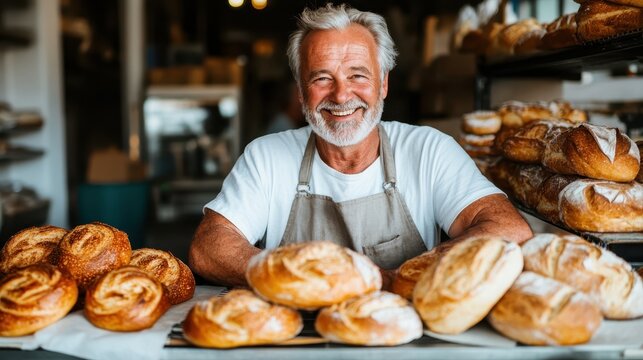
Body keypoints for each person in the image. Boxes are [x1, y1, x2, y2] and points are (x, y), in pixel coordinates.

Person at [189, 3, 532, 288]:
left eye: (357, 75)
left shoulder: (428, 150)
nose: (341, 95)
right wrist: (314, 282)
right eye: (322, 78)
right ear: (300, 90)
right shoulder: (266, 157)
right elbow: (209, 246)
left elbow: (510, 230)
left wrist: (397, 278)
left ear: (383, 83)